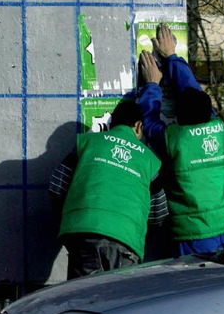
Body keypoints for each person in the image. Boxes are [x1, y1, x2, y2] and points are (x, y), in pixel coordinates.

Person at [137, 22, 224, 255]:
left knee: (193, 285)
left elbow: (148, 119)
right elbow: (192, 88)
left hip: (192, 234)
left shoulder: (174, 139)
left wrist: (150, 85)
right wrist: (172, 57)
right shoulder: (219, 129)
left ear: (178, 118)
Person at [49, 100, 164, 279]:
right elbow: (159, 214)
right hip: (125, 239)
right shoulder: (150, 160)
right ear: (139, 126)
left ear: (111, 124)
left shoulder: (87, 142)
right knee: (118, 303)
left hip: (83, 233)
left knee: (83, 301)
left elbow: (57, 187)